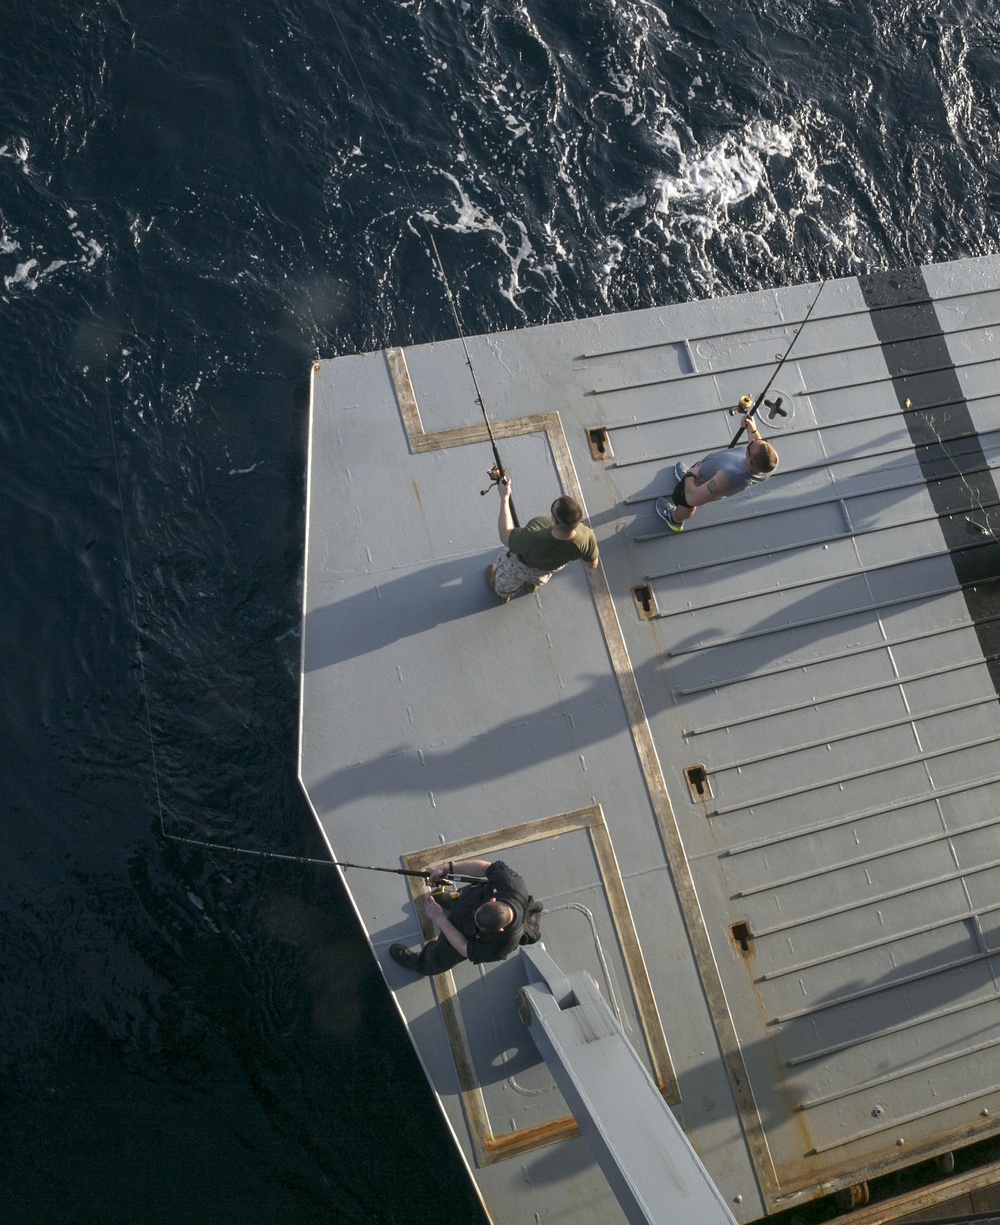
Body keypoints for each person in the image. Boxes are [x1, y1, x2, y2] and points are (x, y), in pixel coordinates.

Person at [390, 859, 530, 976]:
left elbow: (464, 948)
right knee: (458, 898)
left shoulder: (501, 946)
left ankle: (418, 964)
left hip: (464, 935)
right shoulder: (510, 882)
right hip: (468, 900)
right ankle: (448, 900)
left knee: (440, 956)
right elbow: (486, 868)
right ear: (492, 900)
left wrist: (440, 919)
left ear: (499, 930)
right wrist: (446, 868)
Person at [655, 414, 778, 531]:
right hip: (705, 472)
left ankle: (675, 520)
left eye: (750, 445)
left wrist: (690, 475)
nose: (753, 441)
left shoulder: (729, 476)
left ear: (750, 462)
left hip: (700, 481)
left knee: (685, 502)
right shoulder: (770, 461)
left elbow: (693, 498)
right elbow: (759, 446)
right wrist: (752, 430)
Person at [486, 477, 599, 602]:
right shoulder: (586, 536)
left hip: (524, 566)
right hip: (547, 569)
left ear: (555, 519)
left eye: (552, 508)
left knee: (506, 581)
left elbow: (504, 534)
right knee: (539, 577)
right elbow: (592, 564)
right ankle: (532, 585)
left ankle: (503, 595)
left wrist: (504, 497)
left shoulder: (534, 533)